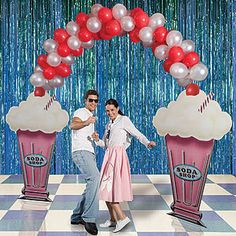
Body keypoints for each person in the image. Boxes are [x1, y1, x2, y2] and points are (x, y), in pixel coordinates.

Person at [92, 98, 156, 233]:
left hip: (118, 158)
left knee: (110, 189)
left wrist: (147, 142)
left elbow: (137, 134)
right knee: (105, 189)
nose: (110, 113)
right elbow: (105, 144)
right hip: (109, 157)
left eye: (112, 110)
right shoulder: (109, 124)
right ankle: (113, 219)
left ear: (117, 108)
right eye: (107, 111)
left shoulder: (124, 120)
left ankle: (122, 218)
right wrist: (97, 140)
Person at [70, 89, 100, 235]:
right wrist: (87, 122)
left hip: (88, 150)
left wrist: (93, 136)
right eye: (90, 100)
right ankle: (88, 218)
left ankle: (76, 216)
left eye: (95, 101)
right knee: (94, 178)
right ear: (85, 101)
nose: (93, 103)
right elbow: (73, 125)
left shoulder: (89, 115)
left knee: (91, 183)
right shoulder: (81, 112)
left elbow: (81, 130)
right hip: (81, 151)